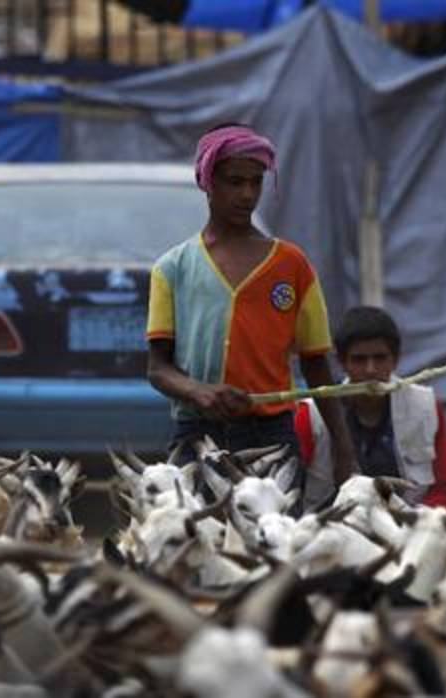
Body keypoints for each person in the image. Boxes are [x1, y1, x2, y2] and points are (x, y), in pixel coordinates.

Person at [145, 123, 358, 496]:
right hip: (197, 435)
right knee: (194, 545)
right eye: (234, 181)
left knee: (271, 545)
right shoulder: (172, 269)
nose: (247, 194)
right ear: (208, 182)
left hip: (271, 436)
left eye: (255, 182)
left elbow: (315, 363)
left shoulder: (292, 265)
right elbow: (158, 369)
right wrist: (198, 392)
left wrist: (342, 445)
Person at [294, 306, 446, 511]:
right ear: (341, 362)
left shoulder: (425, 407)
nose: (370, 370)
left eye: (380, 358)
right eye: (359, 360)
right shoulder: (311, 415)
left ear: (396, 359)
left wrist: (417, 521)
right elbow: (290, 491)